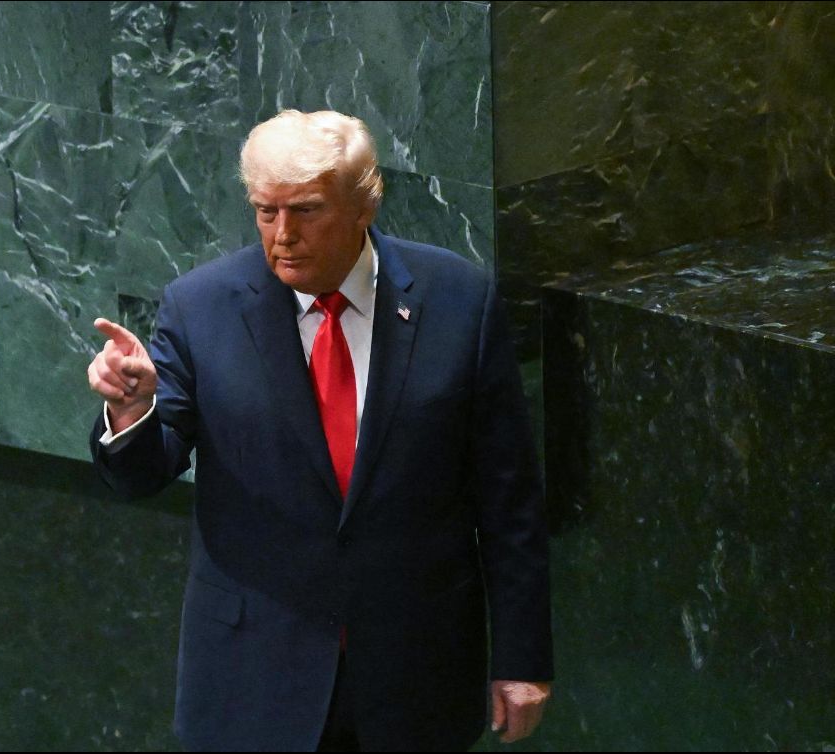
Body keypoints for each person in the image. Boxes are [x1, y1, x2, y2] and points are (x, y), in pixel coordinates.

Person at [87, 110, 552, 751]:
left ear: (364, 204)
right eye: (265, 211)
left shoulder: (458, 301)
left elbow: (510, 495)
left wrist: (522, 655)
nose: (283, 236)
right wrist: (132, 411)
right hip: (254, 675)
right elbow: (143, 473)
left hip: (414, 673)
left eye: (305, 211)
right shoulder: (201, 307)